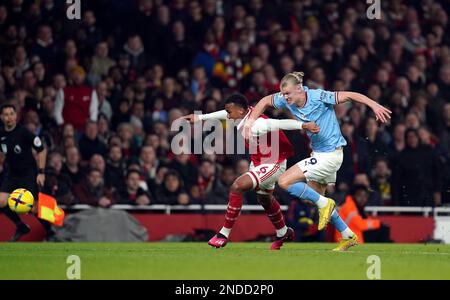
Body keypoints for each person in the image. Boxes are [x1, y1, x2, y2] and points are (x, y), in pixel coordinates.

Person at [243, 71, 392, 251]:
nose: (285, 98)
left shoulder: (319, 96)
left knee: (284, 181)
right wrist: (250, 122)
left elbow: (350, 95)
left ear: (299, 89)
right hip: (319, 153)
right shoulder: (285, 99)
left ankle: (327, 206)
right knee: (318, 199)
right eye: (283, 94)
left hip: (330, 155)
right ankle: (348, 235)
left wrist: (373, 105)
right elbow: (265, 101)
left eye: (288, 93)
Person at [182, 93, 319, 250]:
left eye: (229, 112)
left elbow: (280, 123)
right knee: (264, 199)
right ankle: (283, 232)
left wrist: (304, 125)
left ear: (241, 111)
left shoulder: (257, 124)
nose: (227, 115)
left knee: (237, 186)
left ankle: (223, 234)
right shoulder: (242, 115)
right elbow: (224, 114)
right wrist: (200, 118)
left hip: (274, 162)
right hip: (259, 161)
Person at [0, 104, 51, 241]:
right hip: (12, 175)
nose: (9, 117)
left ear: (16, 116)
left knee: (32, 208)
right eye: (6, 114)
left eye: (11, 114)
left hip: (28, 174)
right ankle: (21, 226)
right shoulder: (1, 134)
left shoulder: (23, 132)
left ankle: (50, 231)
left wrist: (41, 172)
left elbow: (41, 149)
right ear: (1, 117)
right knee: (1, 201)